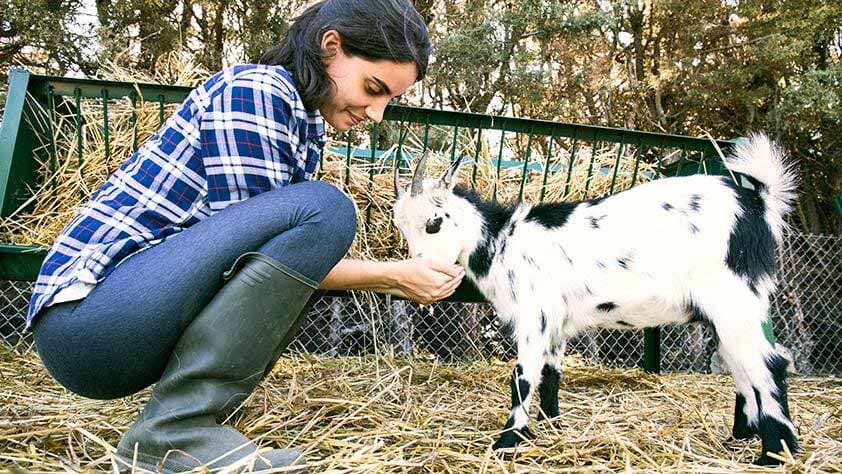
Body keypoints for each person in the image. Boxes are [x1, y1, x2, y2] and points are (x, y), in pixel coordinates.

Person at [27, 0, 464, 471]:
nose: (377, 113)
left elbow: (270, 269)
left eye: (388, 100)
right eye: (373, 88)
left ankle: (184, 437)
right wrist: (392, 276)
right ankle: (172, 434)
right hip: (89, 316)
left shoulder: (303, 121)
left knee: (317, 224)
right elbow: (254, 260)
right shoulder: (258, 90)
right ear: (330, 46)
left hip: (127, 320)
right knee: (327, 209)